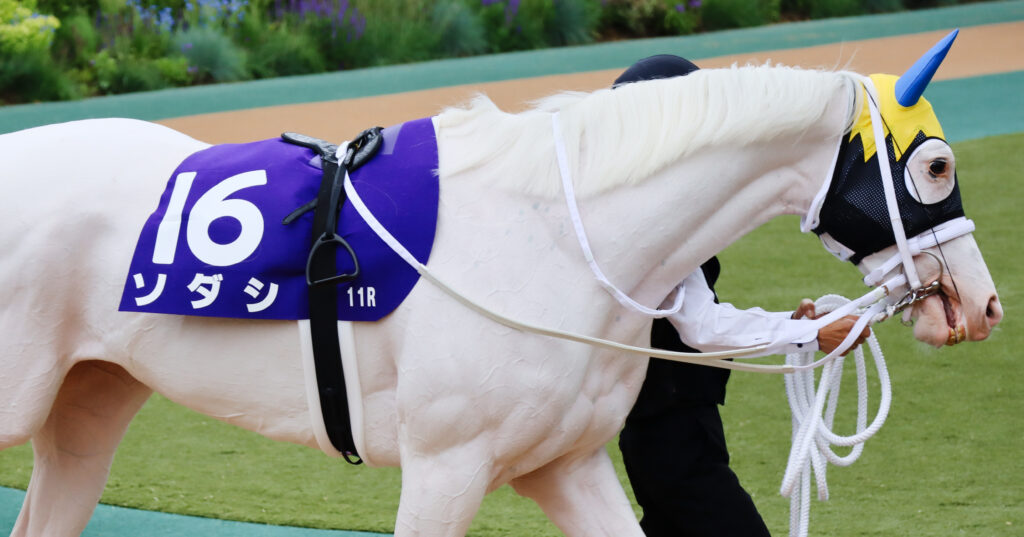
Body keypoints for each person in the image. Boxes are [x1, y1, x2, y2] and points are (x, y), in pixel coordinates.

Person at [613, 55, 868, 537]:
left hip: (677, 428)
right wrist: (810, 333)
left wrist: (795, 325)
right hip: (670, 437)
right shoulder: (655, 227)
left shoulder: (648, 217)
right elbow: (701, 327)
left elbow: (692, 318)